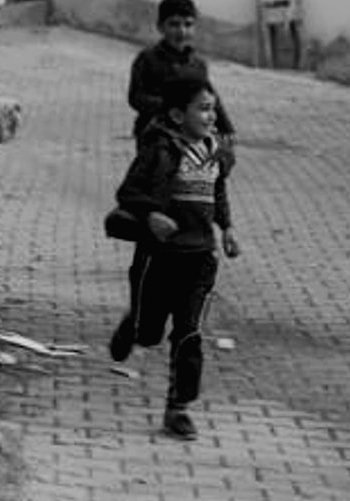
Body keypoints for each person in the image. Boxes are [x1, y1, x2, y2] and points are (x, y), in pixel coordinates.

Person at [108, 76, 240, 441]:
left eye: (213, 108)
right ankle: (133, 325)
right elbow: (127, 192)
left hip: (201, 259)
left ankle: (178, 408)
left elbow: (218, 192)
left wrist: (226, 228)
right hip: (161, 257)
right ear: (179, 115)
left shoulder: (215, 152)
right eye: (203, 108)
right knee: (150, 334)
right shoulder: (160, 150)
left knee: (189, 333)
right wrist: (152, 214)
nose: (211, 116)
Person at [128, 0, 236, 150]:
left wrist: (225, 127)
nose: (182, 31)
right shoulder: (147, 59)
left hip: (190, 137)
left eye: (188, 24)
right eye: (174, 24)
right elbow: (136, 97)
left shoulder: (198, 64)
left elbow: (211, 96)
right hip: (154, 137)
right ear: (160, 27)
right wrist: (171, 107)